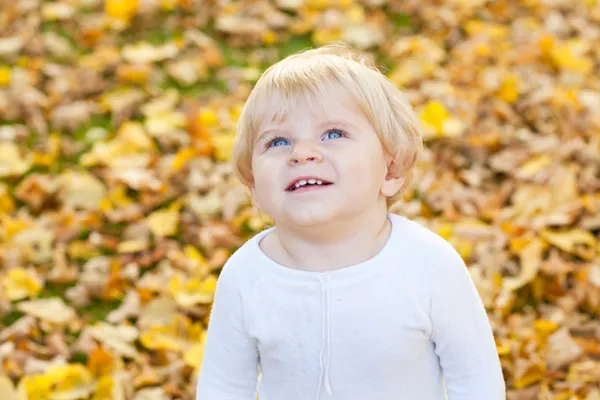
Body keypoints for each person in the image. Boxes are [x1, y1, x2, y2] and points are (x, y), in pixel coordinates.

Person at [195, 43, 506, 400]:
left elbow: (476, 380)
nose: (302, 153)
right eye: (278, 141)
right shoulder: (246, 276)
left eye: (333, 134)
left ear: (390, 169)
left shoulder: (428, 264)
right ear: (253, 185)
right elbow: (223, 387)